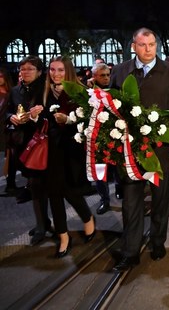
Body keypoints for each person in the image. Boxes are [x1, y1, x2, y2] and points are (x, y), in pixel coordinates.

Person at [109, 27, 169, 271]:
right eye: (143, 45)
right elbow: (111, 105)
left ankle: (157, 241)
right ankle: (130, 250)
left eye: (152, 45)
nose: (148, 49)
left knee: (160, 199)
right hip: (129, 149)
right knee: (131, 201)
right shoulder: (121, 70)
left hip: (161, 148)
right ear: (134, 45)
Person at [42, 56, 97, 257]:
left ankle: (87, 217)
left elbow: (89, 121)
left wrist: (69, 119)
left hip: (72, 151)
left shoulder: (80, 91)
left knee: (70, 190)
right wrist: (34, 115)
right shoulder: (45, 92)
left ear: (69, 72)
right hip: (50, 151)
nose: (56, 74)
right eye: (52, 69)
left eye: (61, 70)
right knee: (54, 193)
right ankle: (63, 236)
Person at [7, 56, 52, 244]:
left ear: (40, 72)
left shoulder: (45, 90)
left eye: (30, 69)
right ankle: (43, 222)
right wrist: (11, 118)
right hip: (22, 144)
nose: (25, 72)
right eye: (22, 69)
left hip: (42, 144)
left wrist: (35, 117)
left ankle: (43, 226)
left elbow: (51, 114)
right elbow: (8, 111)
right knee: (34, 185)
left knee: (39, 185)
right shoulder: (15, 90)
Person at [89, 62, 121, 214]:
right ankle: (104, 200)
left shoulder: (116, 91)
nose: (106, 78)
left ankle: (119, 189)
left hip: (115, 137)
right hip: (97, 138)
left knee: (116, 168)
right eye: (102, 75)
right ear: (94, 76)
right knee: (100, 171)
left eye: (108, 75)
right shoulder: (89, 93)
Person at [1, 67, 17, 194]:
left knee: (10, 157)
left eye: (1, 76)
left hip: (8, 129)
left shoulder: (12, 92)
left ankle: (10, 184)